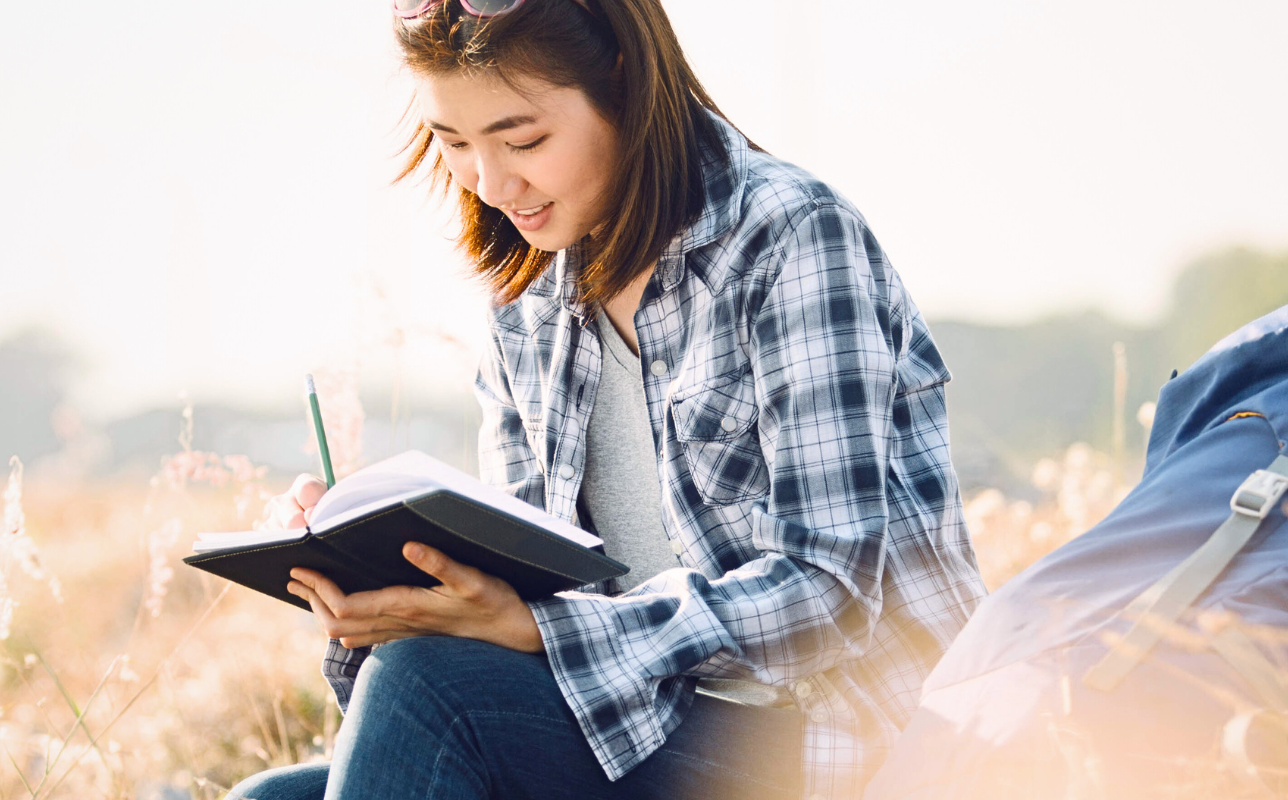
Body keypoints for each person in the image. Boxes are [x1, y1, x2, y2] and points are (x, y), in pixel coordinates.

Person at [227, 0, 987, 797]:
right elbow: (532, 595)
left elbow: (831, 591)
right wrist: (391, 578)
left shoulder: (790, 235)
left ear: (622, 84)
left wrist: (531, 631)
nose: (491, 184)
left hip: (838, 740)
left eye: (523, 140)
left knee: (433, 683)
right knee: (265, 797)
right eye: (453, 143)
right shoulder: (526, 301)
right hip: (639, 724)